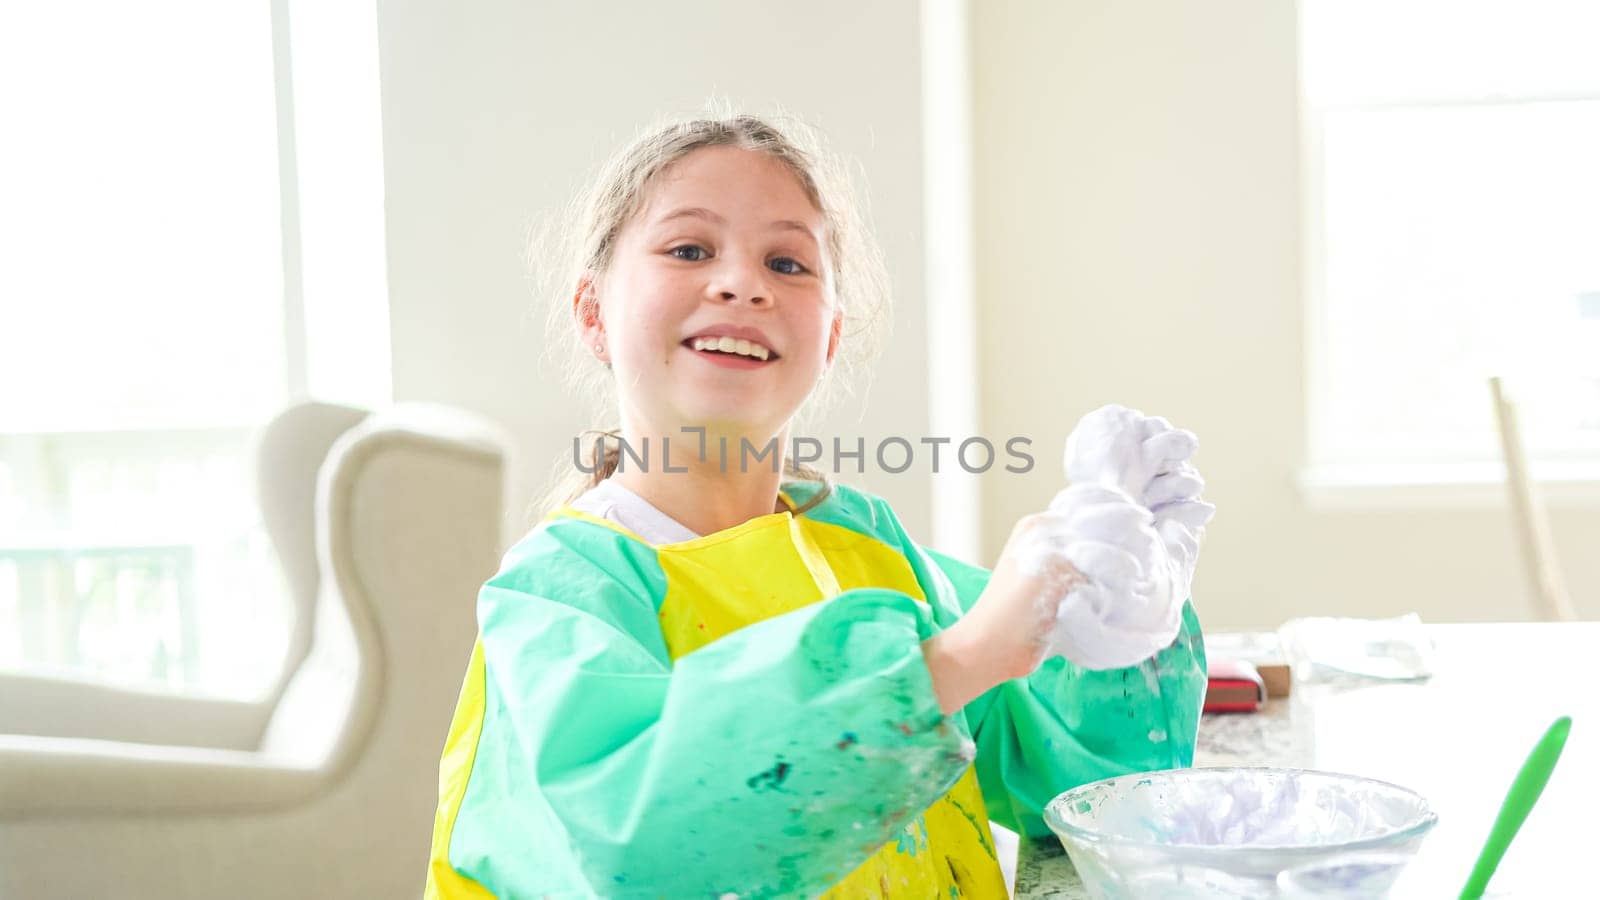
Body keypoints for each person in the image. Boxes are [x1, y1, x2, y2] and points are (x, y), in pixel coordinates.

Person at [424, 111, 1214, 898]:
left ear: (831, 335)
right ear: (593, 313)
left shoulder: (868, 548)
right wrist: (953, 663)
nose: (742, 283)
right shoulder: (560, 596)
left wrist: (1123, 614)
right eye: (689, 249)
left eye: (788, 263)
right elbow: (648, 845)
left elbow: (1072, 785)